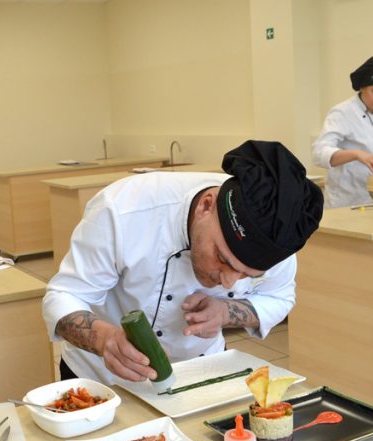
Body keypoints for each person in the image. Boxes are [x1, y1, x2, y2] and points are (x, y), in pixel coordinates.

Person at [43, 140, 324, 385]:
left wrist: (226, 312)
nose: (227, 281)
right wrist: (105, 340)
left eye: (245, 275)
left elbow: (280, 297)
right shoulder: (124, 209)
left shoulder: (277, 231)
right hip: (102, 378)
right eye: (223, 259)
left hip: (201, 373)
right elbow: (65, 295)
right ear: (206, 206)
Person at [312, 56, 373, 208]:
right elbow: (319, 153)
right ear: (363, 87)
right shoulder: (343, 112)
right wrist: (356, 154)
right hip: (349, 201)